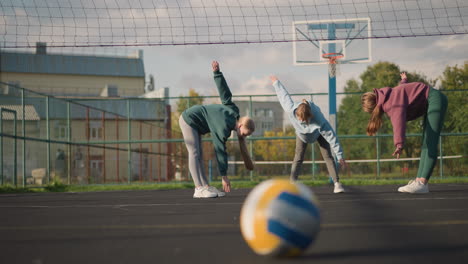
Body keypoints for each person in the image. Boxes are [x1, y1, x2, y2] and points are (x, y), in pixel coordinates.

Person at [361, 72, 448, 193]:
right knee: (425, 143)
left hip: (434, 99)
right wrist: (404, 80)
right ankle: (419, 181)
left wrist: (399, 144)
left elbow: (399, 122)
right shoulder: (388, 95)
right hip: (430, 101)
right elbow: (403, 89)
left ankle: (422, 183)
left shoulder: (392, 104)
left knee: (430, 142)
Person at [180, 61, 255, 198]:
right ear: (240, 126)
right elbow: (220, 151)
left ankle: (206, 186)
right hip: (189, 119)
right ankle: (198, 188)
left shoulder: (234, 112)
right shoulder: (224, 126)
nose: (243, 137)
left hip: (196, 123)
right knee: (194, 152)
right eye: (244, 134)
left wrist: (217, 74)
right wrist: (224, 176)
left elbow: (225, 94)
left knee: (199, 153)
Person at [270, 76, 347, 193]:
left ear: (310, 117)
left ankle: (337, 183)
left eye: (306, 121)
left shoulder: (319, 119)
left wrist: (340, 155)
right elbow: (283, 95)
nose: (303, 123)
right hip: (302, 136)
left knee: (328, 156)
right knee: (298, 158)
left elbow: (332, 137)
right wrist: (276, 82)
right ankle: (292, 184)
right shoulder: (290, 108)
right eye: (301, 120)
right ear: (296, 115)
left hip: (319, 133)